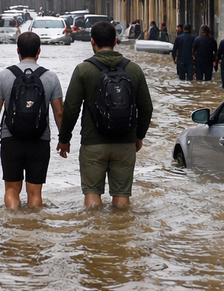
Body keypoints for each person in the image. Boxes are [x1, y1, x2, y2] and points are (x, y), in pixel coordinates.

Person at [57, 21, 153, 208]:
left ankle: (96, 227)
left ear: (92, 41)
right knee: (122, 198)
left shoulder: (83, 70)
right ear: (115, 41)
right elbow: (146, 108)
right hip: (125, 142)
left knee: (92, 196)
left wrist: (64, 139)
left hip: (93, 143)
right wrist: (138, 136)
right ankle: (120, 226)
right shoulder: (134, 70)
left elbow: (71, 108)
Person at [0, 32, 64, 209]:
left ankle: (14, 222)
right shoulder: (50, 77)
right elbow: (59, 113)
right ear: (39, 51)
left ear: (18, 50)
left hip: (10, 139)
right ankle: (33, 224)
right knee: (35, 193)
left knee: (12, 190)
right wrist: (63, 139)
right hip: (40, 140)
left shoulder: (4, 75)